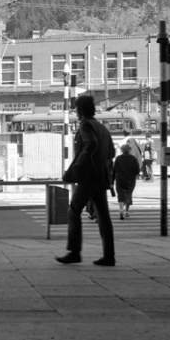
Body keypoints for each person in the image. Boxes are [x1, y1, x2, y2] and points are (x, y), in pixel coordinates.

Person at [56, 93, 116, 266]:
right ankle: (109, 255)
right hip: (101, 176)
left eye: (77, 109)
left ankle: (74, 252)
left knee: (74, 210)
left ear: (81, 110)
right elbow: (111, 153)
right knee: (103, 215)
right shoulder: (102, 127)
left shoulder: (86, 126)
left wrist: (77, 167)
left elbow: (90, 145)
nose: (76, 112)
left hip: (89, 177)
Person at [113, 142, 140, 219]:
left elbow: (114, 170)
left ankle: (121, 209)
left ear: (122, 150)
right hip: (130, 180)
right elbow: (137, 170)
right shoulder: (133, 159)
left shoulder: (118, 159)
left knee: (121, 195)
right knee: (129, 194)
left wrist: (112, 180)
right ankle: (127, 211)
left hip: (120, 179)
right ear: (129, 150)